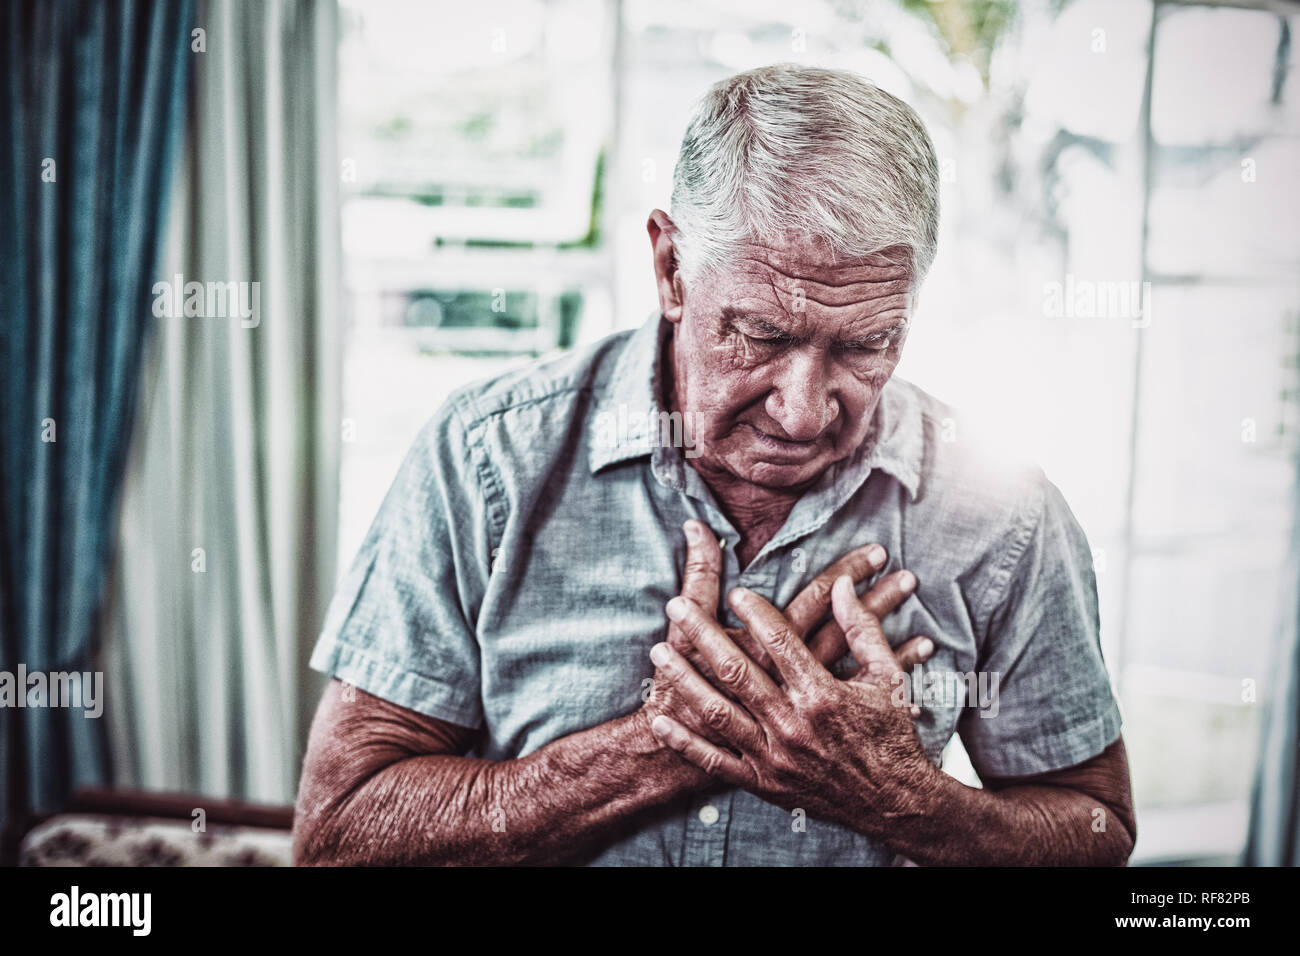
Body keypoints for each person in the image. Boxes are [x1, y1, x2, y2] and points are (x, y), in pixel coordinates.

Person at [293, 64, 1134, 866]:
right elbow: (339, 839)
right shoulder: (489, 458)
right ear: (670, 266)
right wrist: (661, 745)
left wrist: (896, 795)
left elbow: (1096, 831)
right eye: (761, 335)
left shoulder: (1006, 515)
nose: (804, 411)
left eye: (867, 343)